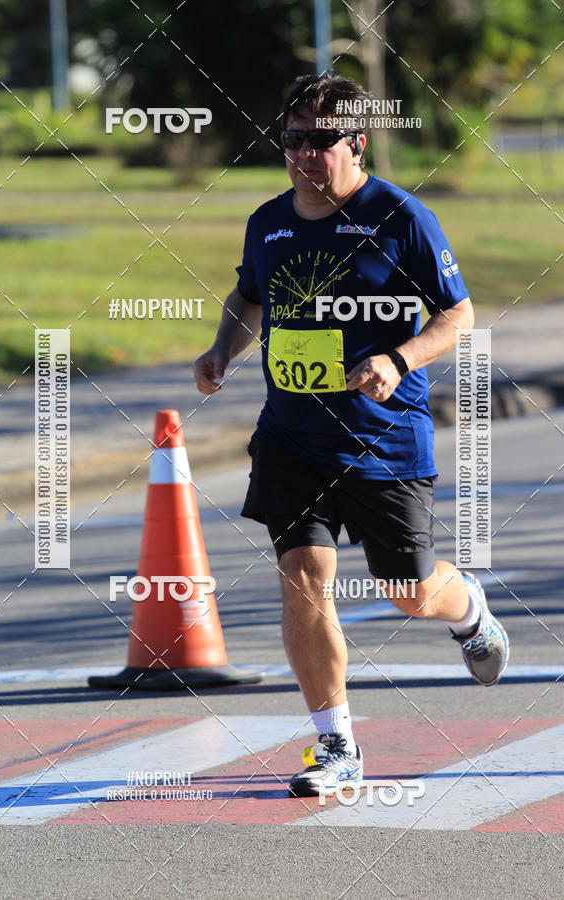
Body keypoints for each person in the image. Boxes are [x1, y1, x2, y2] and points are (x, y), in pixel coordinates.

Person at [193, 71, 508, 799]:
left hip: (384, 443)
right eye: (293, 140)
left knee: (408, 591)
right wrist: (221, 351)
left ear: (357, 144)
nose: (304, 154)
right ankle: (336, 743)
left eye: (320, 140)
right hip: (293, 437)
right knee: (304, 581)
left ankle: (468, 611)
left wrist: (398, 359)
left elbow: (456, 316)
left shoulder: (400, 217)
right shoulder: (268, 221)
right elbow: (250, 295)